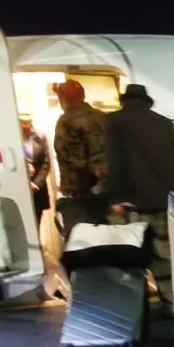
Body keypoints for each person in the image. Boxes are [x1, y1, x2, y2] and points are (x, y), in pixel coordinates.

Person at [103, 83, 174, 315]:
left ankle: (133, 312)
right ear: (147, 101)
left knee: (130, 260)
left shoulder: (113, 122)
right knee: (164, 259)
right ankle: (172, 307)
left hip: (128, 206)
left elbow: (114, 163)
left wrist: (117, 197)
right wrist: (164, 190)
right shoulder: (164, 123)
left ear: (124, 101)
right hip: (160, 204)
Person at [52, 79, 107, 232]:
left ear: (63, 99)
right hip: (106, 191)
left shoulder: (65, 122)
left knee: (82, 243)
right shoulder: (102, 117)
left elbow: (69, 158)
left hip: (80, 193)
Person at [20, 115, 51, 226]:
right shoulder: (12, 136)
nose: (26, 124)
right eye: (22, 121)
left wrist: (36, 183)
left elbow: (47, 162)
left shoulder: (39, 136)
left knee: (37, 222)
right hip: (20, 187)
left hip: (38, 188)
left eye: (27, 121)